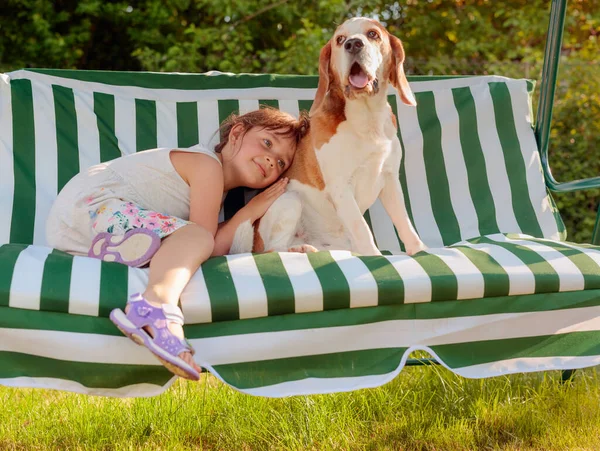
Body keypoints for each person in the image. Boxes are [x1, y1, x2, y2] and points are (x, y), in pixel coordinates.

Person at [46, 107, 309, 380]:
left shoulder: (213, 189)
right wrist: (249, 211)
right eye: (268, 143)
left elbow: (204, 241)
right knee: (196, 237)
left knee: (186, 239)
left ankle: (123, 249)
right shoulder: (207, 166)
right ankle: (156, 306)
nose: (271, 159)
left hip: (82, 231)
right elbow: (208, 245)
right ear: (237, 132)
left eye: (281, 163)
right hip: (95, 205)